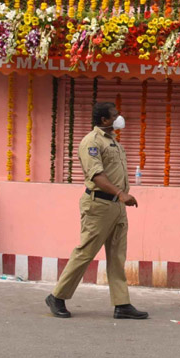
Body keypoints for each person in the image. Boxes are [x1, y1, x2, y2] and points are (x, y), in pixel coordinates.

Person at [46, 102, 148, 320]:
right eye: (114, 115)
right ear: (104, 120)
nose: (118, 118)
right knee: (85, 252)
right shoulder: (91, 142)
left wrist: (120, 198)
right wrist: (121, 194)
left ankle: (121, 304)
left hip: (117, 207)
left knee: (117, 256)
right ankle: (57, 296)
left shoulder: (114, 143)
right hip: (98, 205)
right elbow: (96, 176)